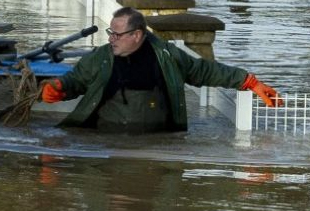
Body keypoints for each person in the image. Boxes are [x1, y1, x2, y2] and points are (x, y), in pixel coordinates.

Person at [40, 7, 282, 133]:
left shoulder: (166, 55)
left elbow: (204, 71)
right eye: (110, 33)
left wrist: (250, 82)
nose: (112, 39)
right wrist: (56, 89)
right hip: (105, 142)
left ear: (137, 35)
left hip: (158, 141)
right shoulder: (101, 57)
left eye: (117, 35)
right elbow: (75, 81)